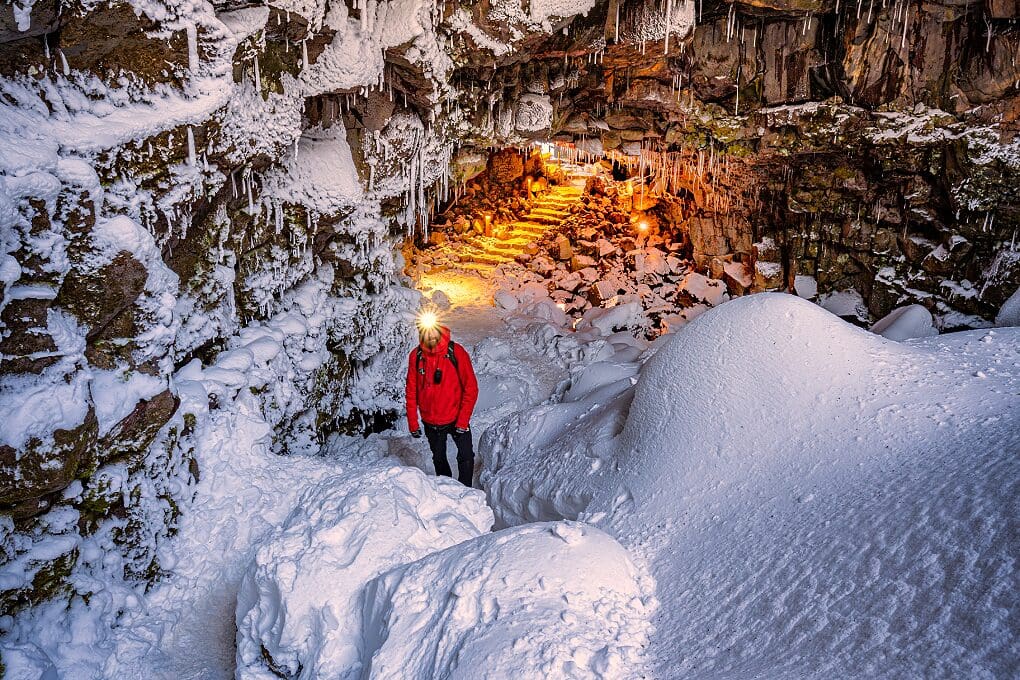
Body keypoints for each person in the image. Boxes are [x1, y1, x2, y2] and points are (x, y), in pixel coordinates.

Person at [406, 319, 479, 486]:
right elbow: (411, 391)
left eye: (433, 331)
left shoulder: (456, 352)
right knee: (439, 458)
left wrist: (462, 421)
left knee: (466, 455)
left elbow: (471, 388)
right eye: (426, 332)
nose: (430, 335)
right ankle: (447, 490)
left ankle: (465, 490)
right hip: (431, 421)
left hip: (456, 417)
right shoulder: (416, 356)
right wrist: (413, 422)